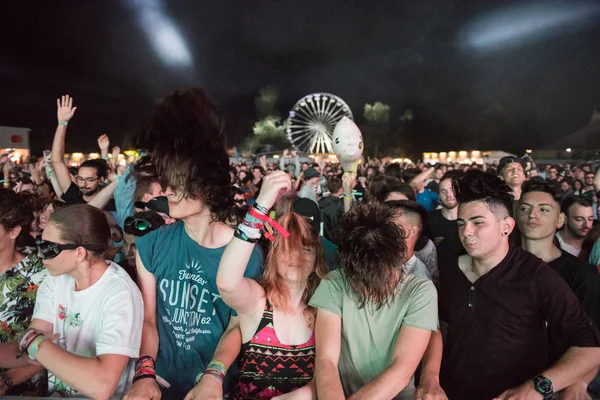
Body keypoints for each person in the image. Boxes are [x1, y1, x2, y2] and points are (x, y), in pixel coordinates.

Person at [123, 88, 263, 399]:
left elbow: (236, 326)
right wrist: (144, 374)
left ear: (207, 186)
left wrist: (214, 376)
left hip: (216, 388)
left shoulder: (246, 255)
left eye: (177, 182)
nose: (168, 190)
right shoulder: (151, 246)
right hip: (161, 385)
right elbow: (149, 320)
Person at [415, 170, 600, 400]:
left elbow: (590, 347)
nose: (466, 232)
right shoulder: (451, 267)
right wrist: (430, 377)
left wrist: (537, 388)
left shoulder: (536, 275)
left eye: (478, 222)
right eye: (461, 223)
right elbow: (441, 326)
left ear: (506, 226)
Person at [0, 204, 143, 399]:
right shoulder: (55, 278)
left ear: (80, 253)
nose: (40, 254)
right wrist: (34, 344)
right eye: (40, 243)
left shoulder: (120, 294)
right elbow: (30, 347)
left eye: (48, 248)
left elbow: (102, 384)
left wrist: (35, 344)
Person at [217, 171, 328, 399]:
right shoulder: (257, 301)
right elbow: (227, 283)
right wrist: (261, 206)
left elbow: (329, 376)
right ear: (274, 255)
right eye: (288, 246)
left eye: (306, 248)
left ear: (317, 258)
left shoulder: (326, 311)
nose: (296, 255)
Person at [310, 203, 438, 400]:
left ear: (397, 259)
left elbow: (402, 369)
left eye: (379, 277)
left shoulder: (420, 291)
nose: (369, 288)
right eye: (360, 279)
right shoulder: (334, 282)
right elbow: (326, 360)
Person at [518, 180, 600, 326]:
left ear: (560, 220)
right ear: (515, 216)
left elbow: (589, 342)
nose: (532, 215)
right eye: (525, 208)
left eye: (543, 209)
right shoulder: (497, 266)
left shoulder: (583, 276)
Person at [0, 189, 48, 396]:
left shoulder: (42, 275)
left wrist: (7, 381)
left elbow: (60, 343)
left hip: (24, 389)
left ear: (13, 232)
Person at [50, 95, 118, 211]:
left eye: (89, 180)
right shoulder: (73, 194)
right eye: (80, 179)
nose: (83, 184)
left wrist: (105, 152)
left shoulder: (112, 204)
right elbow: (56, 161)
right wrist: (62, 123)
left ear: (101, 180)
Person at [387, 200, 432, 279]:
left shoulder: (419, 278)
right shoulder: (379, 263)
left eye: (391, 225)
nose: (383, 229)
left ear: (412, 231)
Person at [425, 172, 460, 246]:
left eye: (452, 190)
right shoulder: (428, 218)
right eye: (443, 192)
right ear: (439, 195)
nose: (448, 195)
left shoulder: (469, 219)